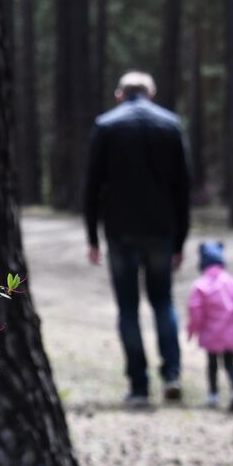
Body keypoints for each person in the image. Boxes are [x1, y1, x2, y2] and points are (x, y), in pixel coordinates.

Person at [84, 70, 192, 406]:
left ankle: (139, 385)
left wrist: (92, 236)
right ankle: (171, 374)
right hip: (161, 230)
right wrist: (180, 241)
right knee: (162, 302)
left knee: (128, 307)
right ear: (151, 93)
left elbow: (91, 186)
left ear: (120, 94)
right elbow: (183, 189)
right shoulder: (170, 125)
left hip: (120, 231)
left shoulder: (106, 126)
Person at [185, 241, 233, 411]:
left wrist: (193, 330)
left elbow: (195, 311)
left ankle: (213, 395)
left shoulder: (200, 286)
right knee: (230, 363)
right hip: (231, 333)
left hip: (210, 333)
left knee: (212, 364)